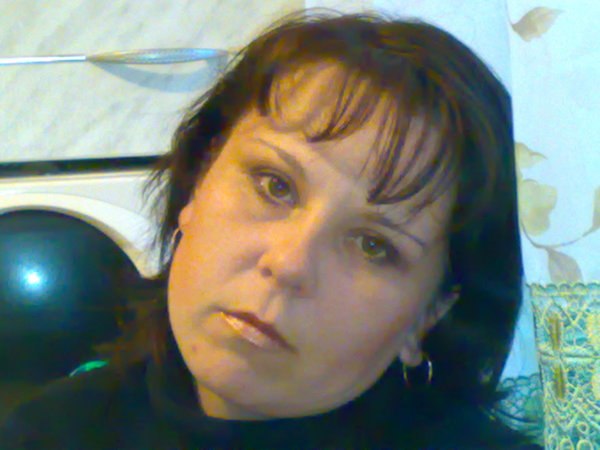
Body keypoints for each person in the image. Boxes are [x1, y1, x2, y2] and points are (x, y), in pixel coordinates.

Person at [1, 10, 542, 449]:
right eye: (274, 186)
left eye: (374, 245)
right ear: (198, 183)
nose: (287, 264)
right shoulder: (44, 433)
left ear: (428, 315)